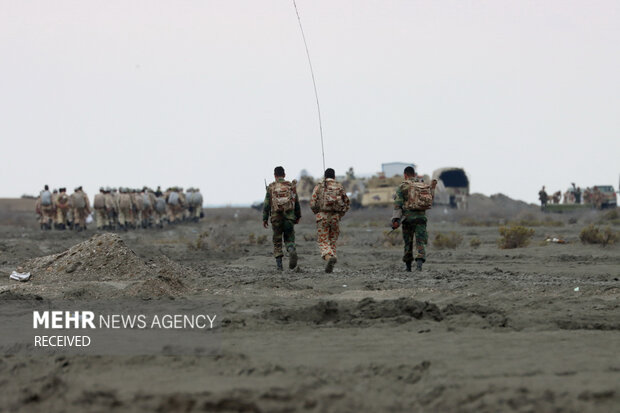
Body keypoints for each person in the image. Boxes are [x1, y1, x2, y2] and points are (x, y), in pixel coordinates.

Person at [391, 166, 437, 272]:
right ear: (414, 174)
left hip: (408, 219)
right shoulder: (423, 185)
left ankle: (408, 267)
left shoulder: (403, 186)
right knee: (421, 241)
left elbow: (398, 204)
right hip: (421, 218)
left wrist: (396, 220)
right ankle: (419, 265)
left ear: (405, 175)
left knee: (408, 242)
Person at [310, 168, 350, 273]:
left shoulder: (319, 186)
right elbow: (346, 203)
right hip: (335, 217)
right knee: (332, 240)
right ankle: (333, 258)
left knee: (323, 240)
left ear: (325, 176)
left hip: (322, 216)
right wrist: (340, 215)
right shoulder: (339, 186)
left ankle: (328, 257)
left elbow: (313, 203)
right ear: (334, 176)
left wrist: (317, 213)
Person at [262, 166, 301, 270]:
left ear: (274, 175)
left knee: (277, 241)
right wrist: (298, 216)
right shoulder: (290, 186)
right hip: (289, 218)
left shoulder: (271, 187)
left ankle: (279, 266)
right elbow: (296, 202)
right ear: (284, 175)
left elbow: (266, 205)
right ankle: (291, 249)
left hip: (276, 218)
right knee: (289, 238)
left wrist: (264, 219)